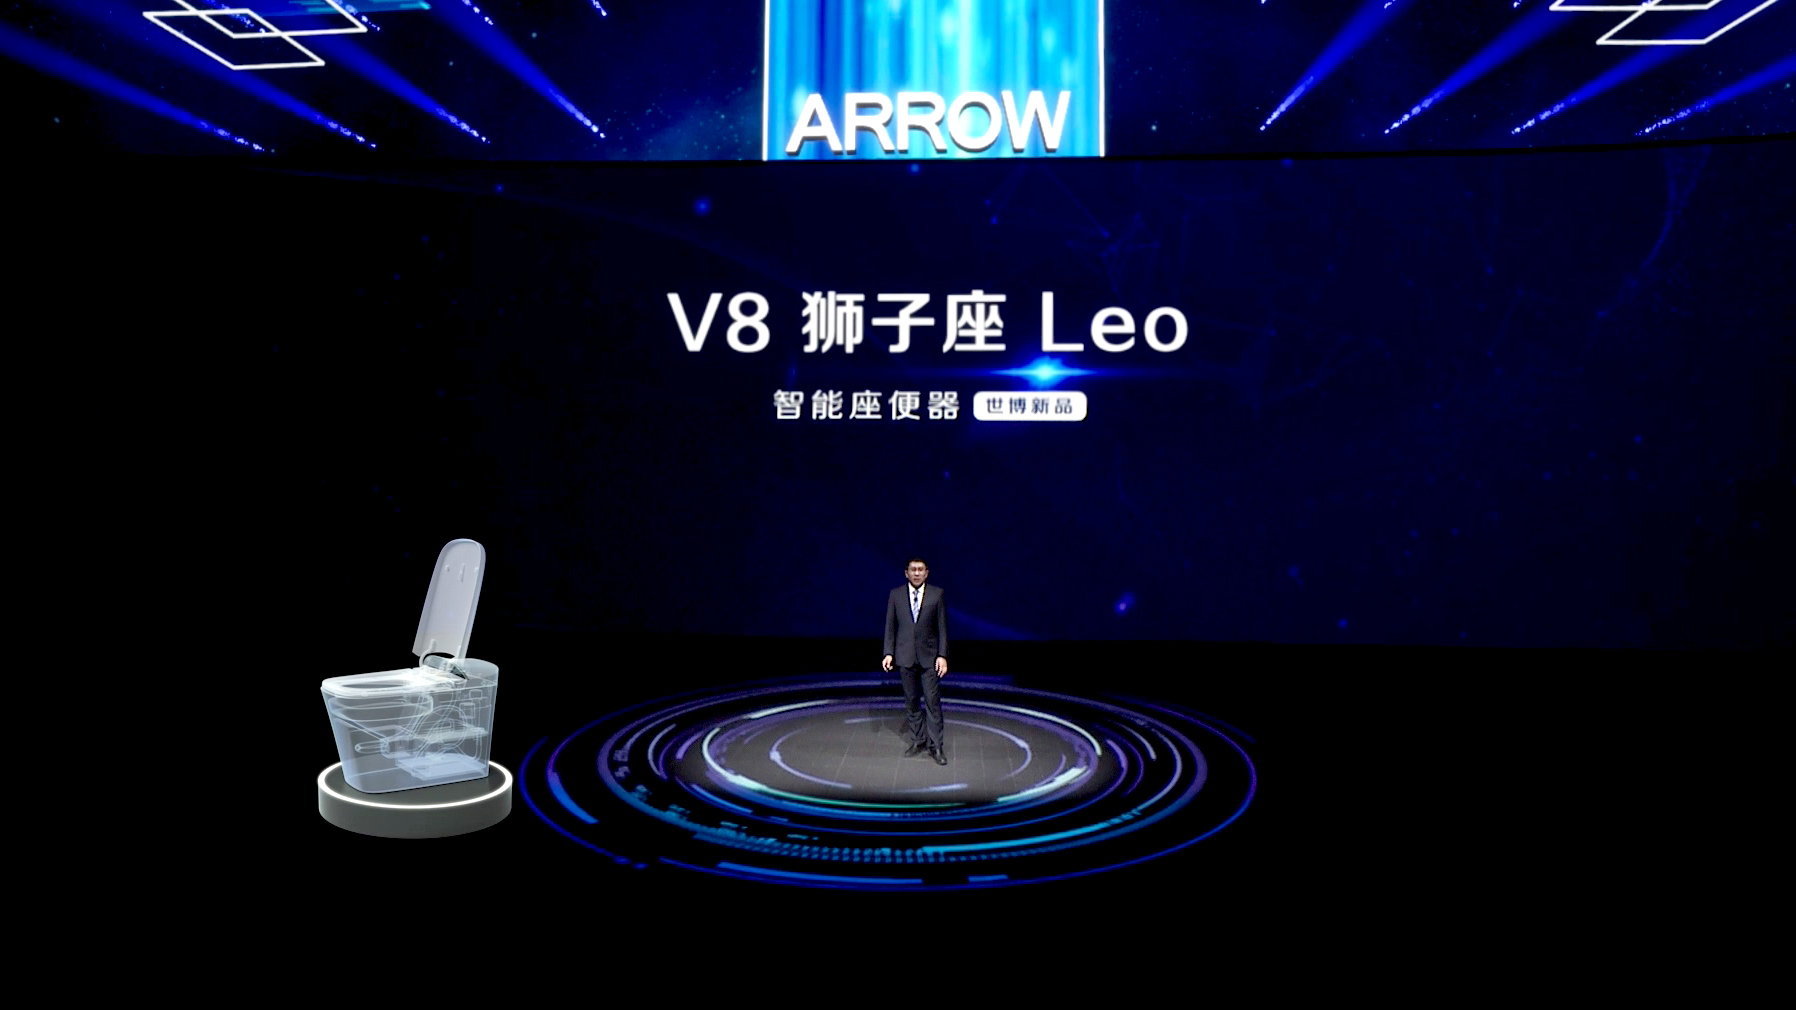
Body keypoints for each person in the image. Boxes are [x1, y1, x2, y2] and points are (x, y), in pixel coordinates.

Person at [882, 557, 949, 765]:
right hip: (905, 656)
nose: (917, 573)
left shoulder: (937, 594)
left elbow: (942, 628)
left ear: (926, 573)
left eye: (921, 569)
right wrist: (888, 653)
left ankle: (936, 746)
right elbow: (890, 626)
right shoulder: (896, 595)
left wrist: (942, 656)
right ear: (907, 573)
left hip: (929, 657)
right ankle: (918, 740)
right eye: (913, 569)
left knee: (932, 702)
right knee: (911, 702)